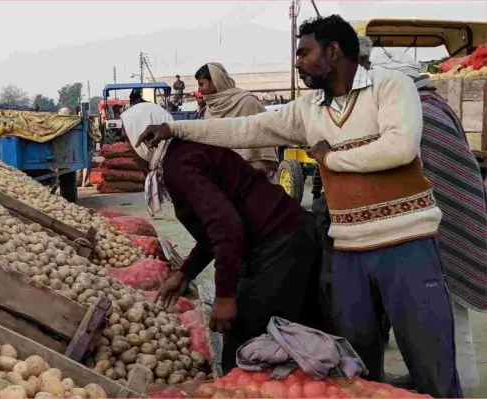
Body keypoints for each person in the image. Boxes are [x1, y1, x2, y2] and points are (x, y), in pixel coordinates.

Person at [136, 15, 461, 398]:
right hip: (349, 252)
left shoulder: (390, 86)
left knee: (430, 361)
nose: (297, 61)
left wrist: (330, 157)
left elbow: (399, 147)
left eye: (304, 52)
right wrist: (177, 128)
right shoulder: (309, 108)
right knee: (357, 369)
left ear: (333, 51)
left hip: (406, 244)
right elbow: (247, 129)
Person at [120, 91, 324, 375]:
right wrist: (185, 273)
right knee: (295, 339)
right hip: (287, 236)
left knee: (246, 347)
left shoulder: (179, 165)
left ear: (145, 139)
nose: (129, 152)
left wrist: (226, 297)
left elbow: (226, 228)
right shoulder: (182, 154)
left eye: (128, 142)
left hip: (280, 243)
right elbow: (212, 231)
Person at [368, 48, 487, 392]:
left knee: (448, 313)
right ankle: (436, 378)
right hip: (439, 220)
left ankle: (457, 383)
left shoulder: (419, 110)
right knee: (430, 313)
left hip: (446, 224)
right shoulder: (431, 104)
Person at [194, 63, 279, 180]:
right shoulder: (210, 110)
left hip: (253, 175)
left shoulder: (247, 102)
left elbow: (265, 137)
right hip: (222, 177)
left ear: (215, 81)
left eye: (201, 84)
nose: (199, 89)